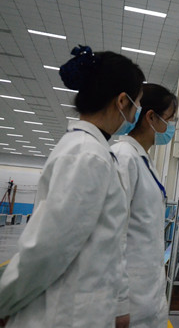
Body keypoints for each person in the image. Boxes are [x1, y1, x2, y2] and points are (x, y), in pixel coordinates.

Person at [0, 45, 145, 328]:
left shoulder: (93, 151)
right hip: (62, 314)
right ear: (121, 101)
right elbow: (47, 248)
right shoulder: (86, 155)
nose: (136, 112)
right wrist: (5, 301)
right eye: (137, 103)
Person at [111, 83, 178, 328]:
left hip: (146, 295)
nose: (172, 126)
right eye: (171, 119)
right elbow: (112, 235)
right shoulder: (124, 157)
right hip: (127, 301)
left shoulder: (144, 161)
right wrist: (119, 303)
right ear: (151, 117)